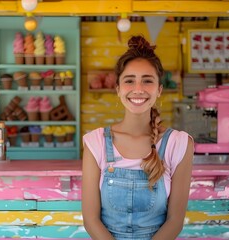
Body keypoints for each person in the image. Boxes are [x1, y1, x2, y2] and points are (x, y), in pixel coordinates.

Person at [82, 35, 194, 240]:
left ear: (159, 89)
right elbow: (91, 220)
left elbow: (175, 221)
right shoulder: (95, 142)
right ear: (118, 89)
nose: (138, 89)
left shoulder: (178, 143)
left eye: (148, 81)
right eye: (129, 80)